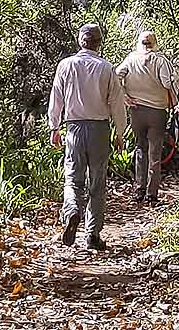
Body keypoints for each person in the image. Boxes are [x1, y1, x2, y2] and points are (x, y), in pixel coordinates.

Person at [48, 23, 127, 250]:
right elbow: (117, 104)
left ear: (80, 41)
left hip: (73, 128)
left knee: (73, 178)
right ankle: (92, 234)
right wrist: (119, 132)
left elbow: (57, 98)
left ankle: (72, 209)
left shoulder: (66, 65)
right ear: (99, 43)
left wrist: (54, 127)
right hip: (100, 129)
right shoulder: (107, 68)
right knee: (97, 182)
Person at [116, 31, 176, 205]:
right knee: (155, 153)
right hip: (157, 111)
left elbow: (116, 75)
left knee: (140, 149)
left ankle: (138, 189)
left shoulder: (131, 58)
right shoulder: (160, 60)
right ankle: (152, 194)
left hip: (136, 111)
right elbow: (167, 83)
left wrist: (125, 97)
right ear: (155, 43)